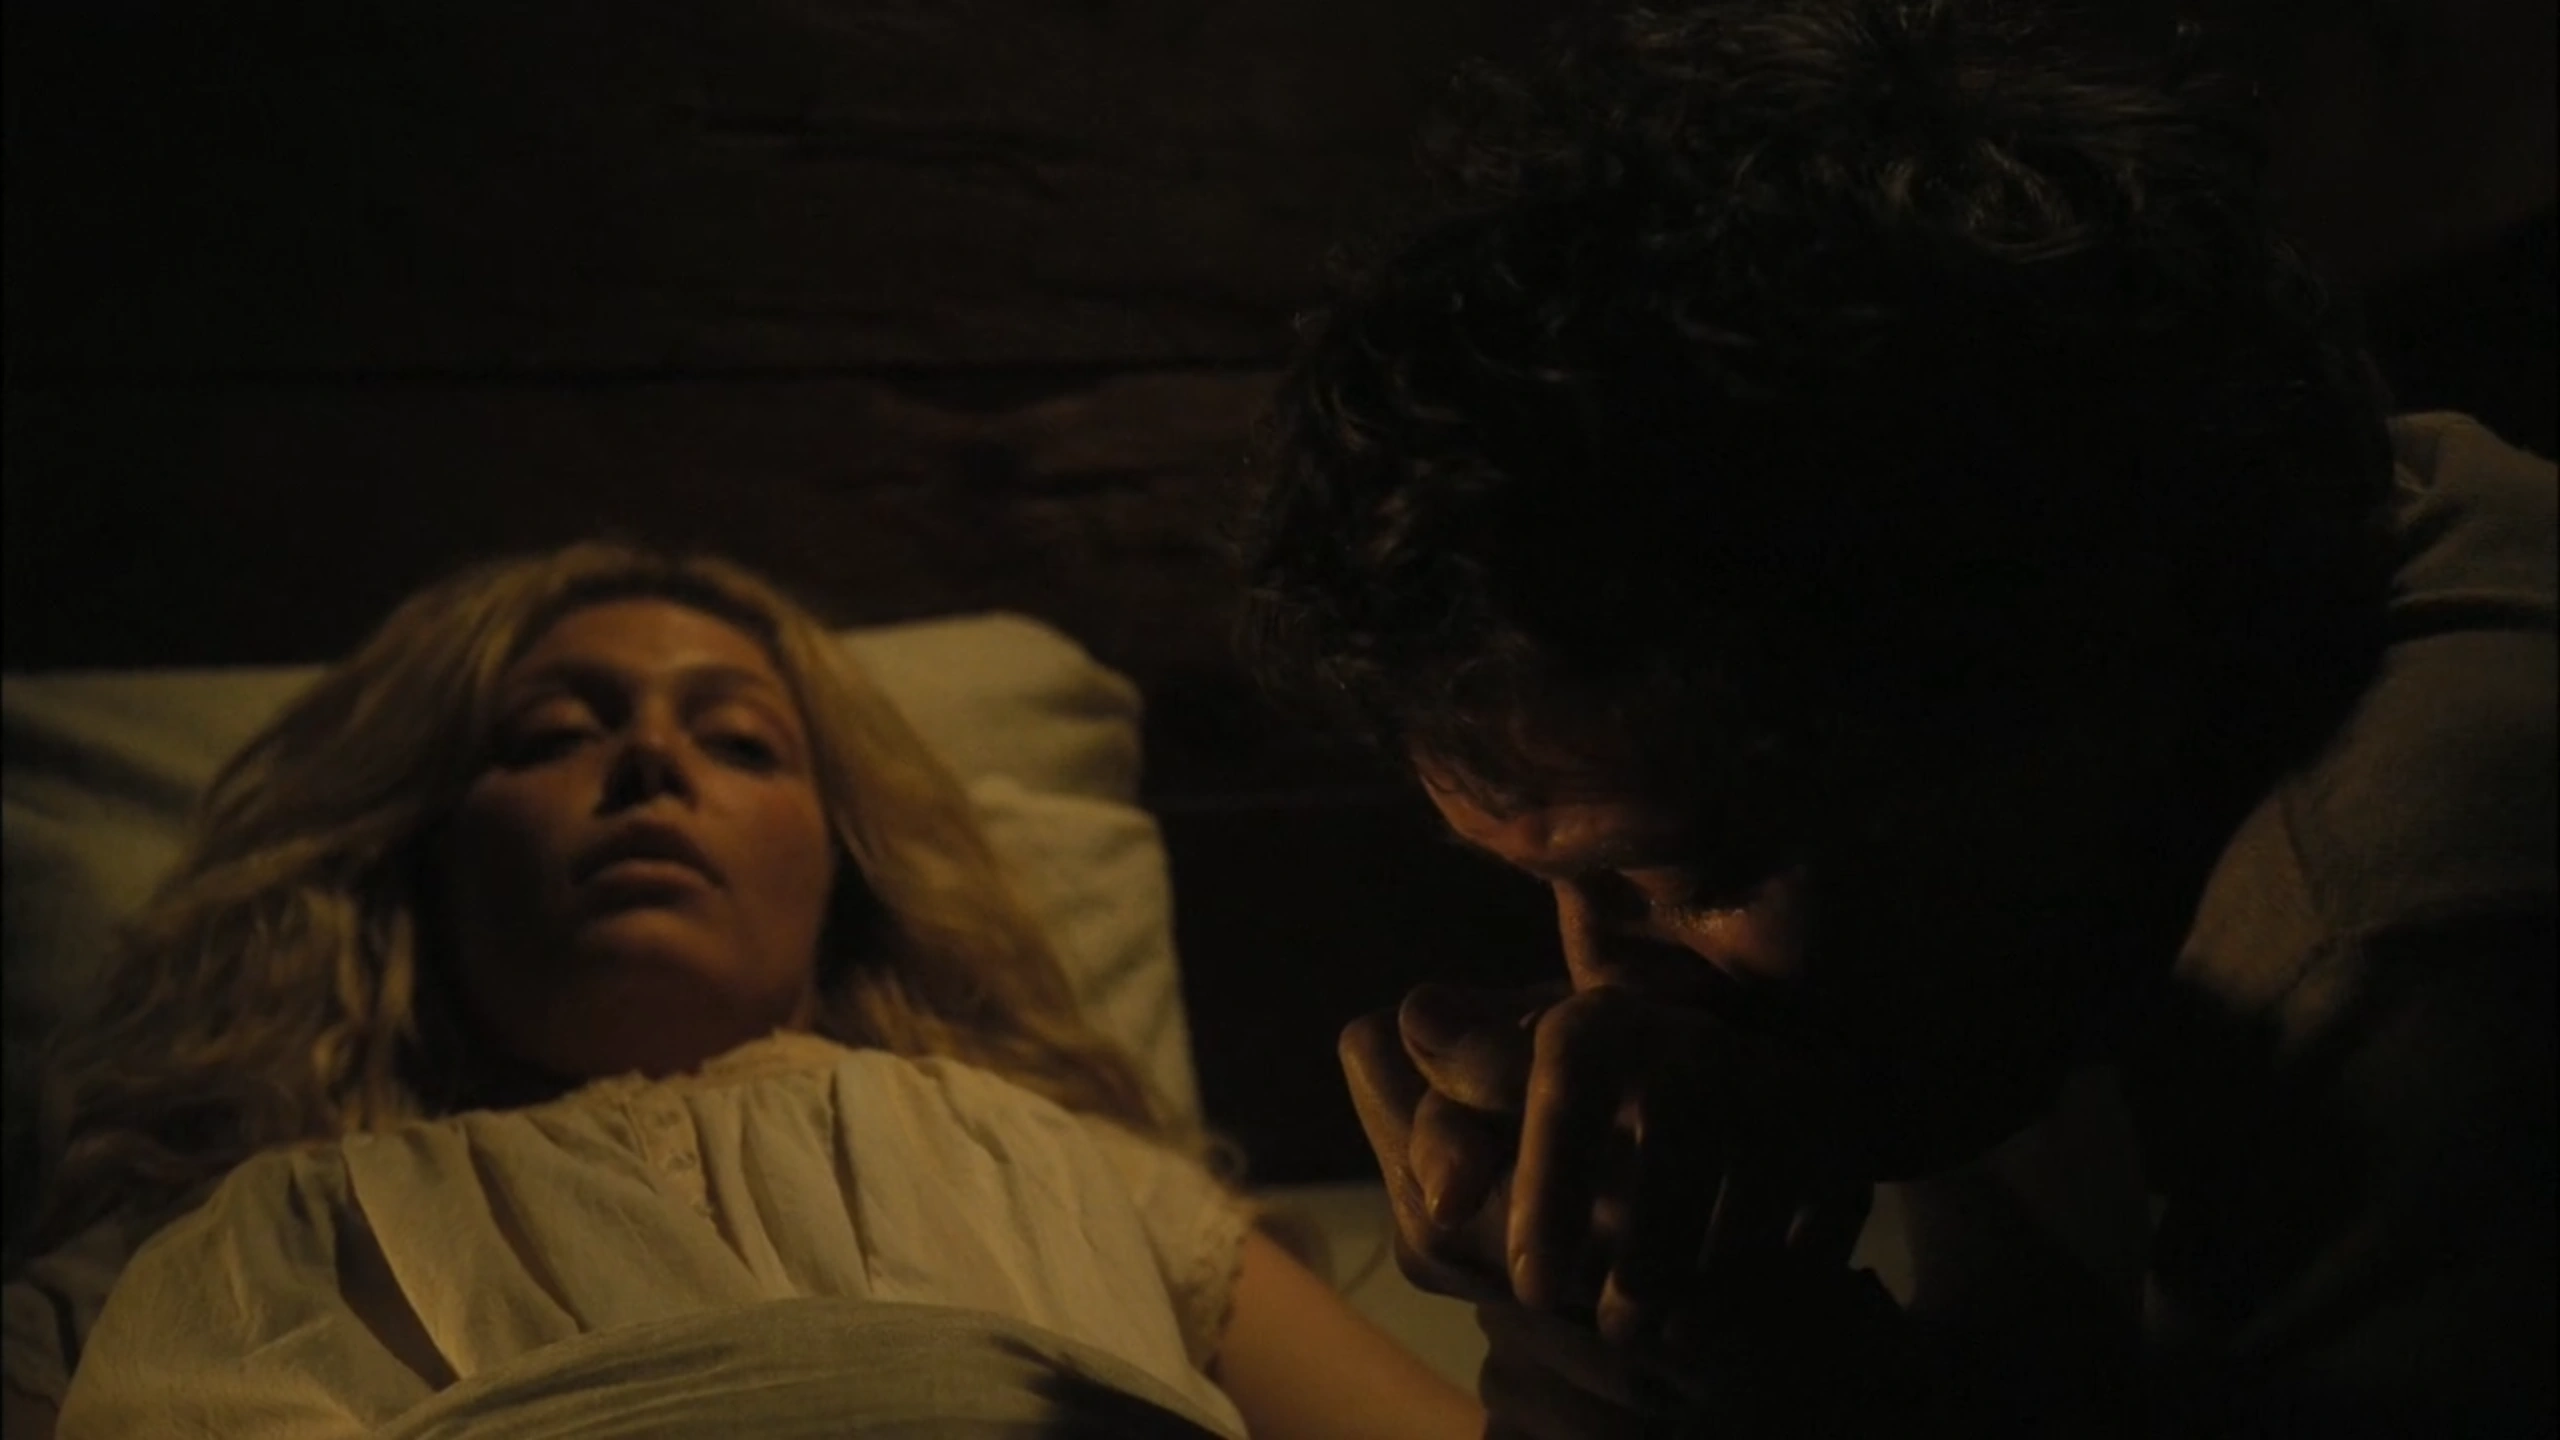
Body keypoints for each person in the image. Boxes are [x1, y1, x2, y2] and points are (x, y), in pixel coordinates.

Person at [1236, 0, 2555, 1434]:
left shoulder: (2415, 937)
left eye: (1695, 883)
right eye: (1566, 888)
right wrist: (1678, 1319)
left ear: (2036, 668)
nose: (1609, 990)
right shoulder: (2041, 791)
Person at [0, 542, 1483, 1439]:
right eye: (554, 734)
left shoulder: (1060, 1168)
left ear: (842, 868)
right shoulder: (206, 1250)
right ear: (419, 850)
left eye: (743, 743)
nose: (652, 761)